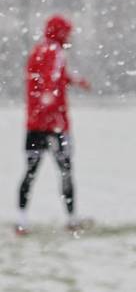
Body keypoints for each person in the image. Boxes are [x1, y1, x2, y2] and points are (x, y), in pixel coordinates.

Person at [17, 14, 91, 235]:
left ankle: (22, 220)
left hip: (34, 124)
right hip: (55, 125)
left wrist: (73, 82)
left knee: (30, 171)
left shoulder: (38, 50)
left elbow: (50, 78)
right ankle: (71, 219)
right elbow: (52, 79)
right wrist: (50, 103)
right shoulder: (56, 52)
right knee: (66, 171)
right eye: (67, 33)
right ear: (61, 33)